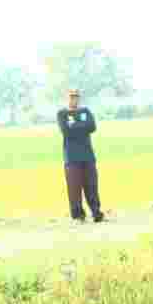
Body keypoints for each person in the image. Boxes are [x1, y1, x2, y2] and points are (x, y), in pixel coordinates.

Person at [56, 88, 103, 222]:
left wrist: (74, 126)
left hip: (88, 155)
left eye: (76, 97)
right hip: (71, 157)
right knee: (74, 188)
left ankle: (96, 212)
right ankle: (78, 216)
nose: (74, 99)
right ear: (67, 98)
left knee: (92, 185)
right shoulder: (62, 114)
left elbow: (92, 126)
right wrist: (82, 127)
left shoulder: (85, 111)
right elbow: (65, 130)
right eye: (71, 97)